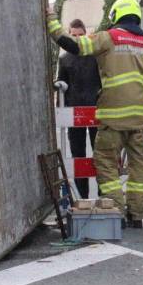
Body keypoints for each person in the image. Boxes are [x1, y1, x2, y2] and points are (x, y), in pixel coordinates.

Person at [47, 0, 143, 228]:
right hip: (139, 121)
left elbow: (74, 46)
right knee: (139, 168)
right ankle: (137, 216)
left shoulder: (109, 38)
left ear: (116, 16)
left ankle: (117, 211)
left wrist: (51, 21)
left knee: (105, 163)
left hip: (112, 118)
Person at [57, 19, 102, 199]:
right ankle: (82, 198)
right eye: (73, 35)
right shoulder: (64, 59)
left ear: (86, 35)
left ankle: (103, 195)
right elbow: (62, 84)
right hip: (73, 114)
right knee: (77, 156)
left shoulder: (96, 58)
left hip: (96, 113)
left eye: (80, 35)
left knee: (100, 156)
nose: (76, 38)